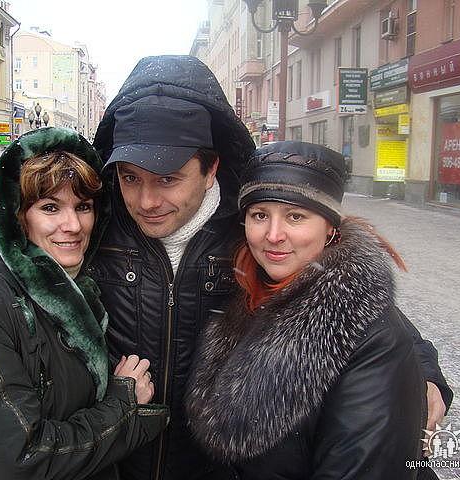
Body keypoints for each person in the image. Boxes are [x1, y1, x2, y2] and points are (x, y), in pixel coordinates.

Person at [0, 56, 452, 480]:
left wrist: (423, 369)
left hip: (210, 467)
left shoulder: (249, 232)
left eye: (168, 179)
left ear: (211, 168)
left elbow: (349, 300)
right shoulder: (100, 223)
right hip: (115, 461)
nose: (147, 200)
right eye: (130, 178)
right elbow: (1, 263)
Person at [0, 126, 169, 479]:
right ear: (18, 217)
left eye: (83, 207)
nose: (73, 225)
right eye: (50, 207)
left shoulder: (77, 287)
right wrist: (123, 404)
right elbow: (25, 460)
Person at [186, 141, 436, 480]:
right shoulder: (244, 292)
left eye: (296, 216)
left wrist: (429, 377)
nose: (274, 235)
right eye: (260, 215)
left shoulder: (371, 335)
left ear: (330, 227)